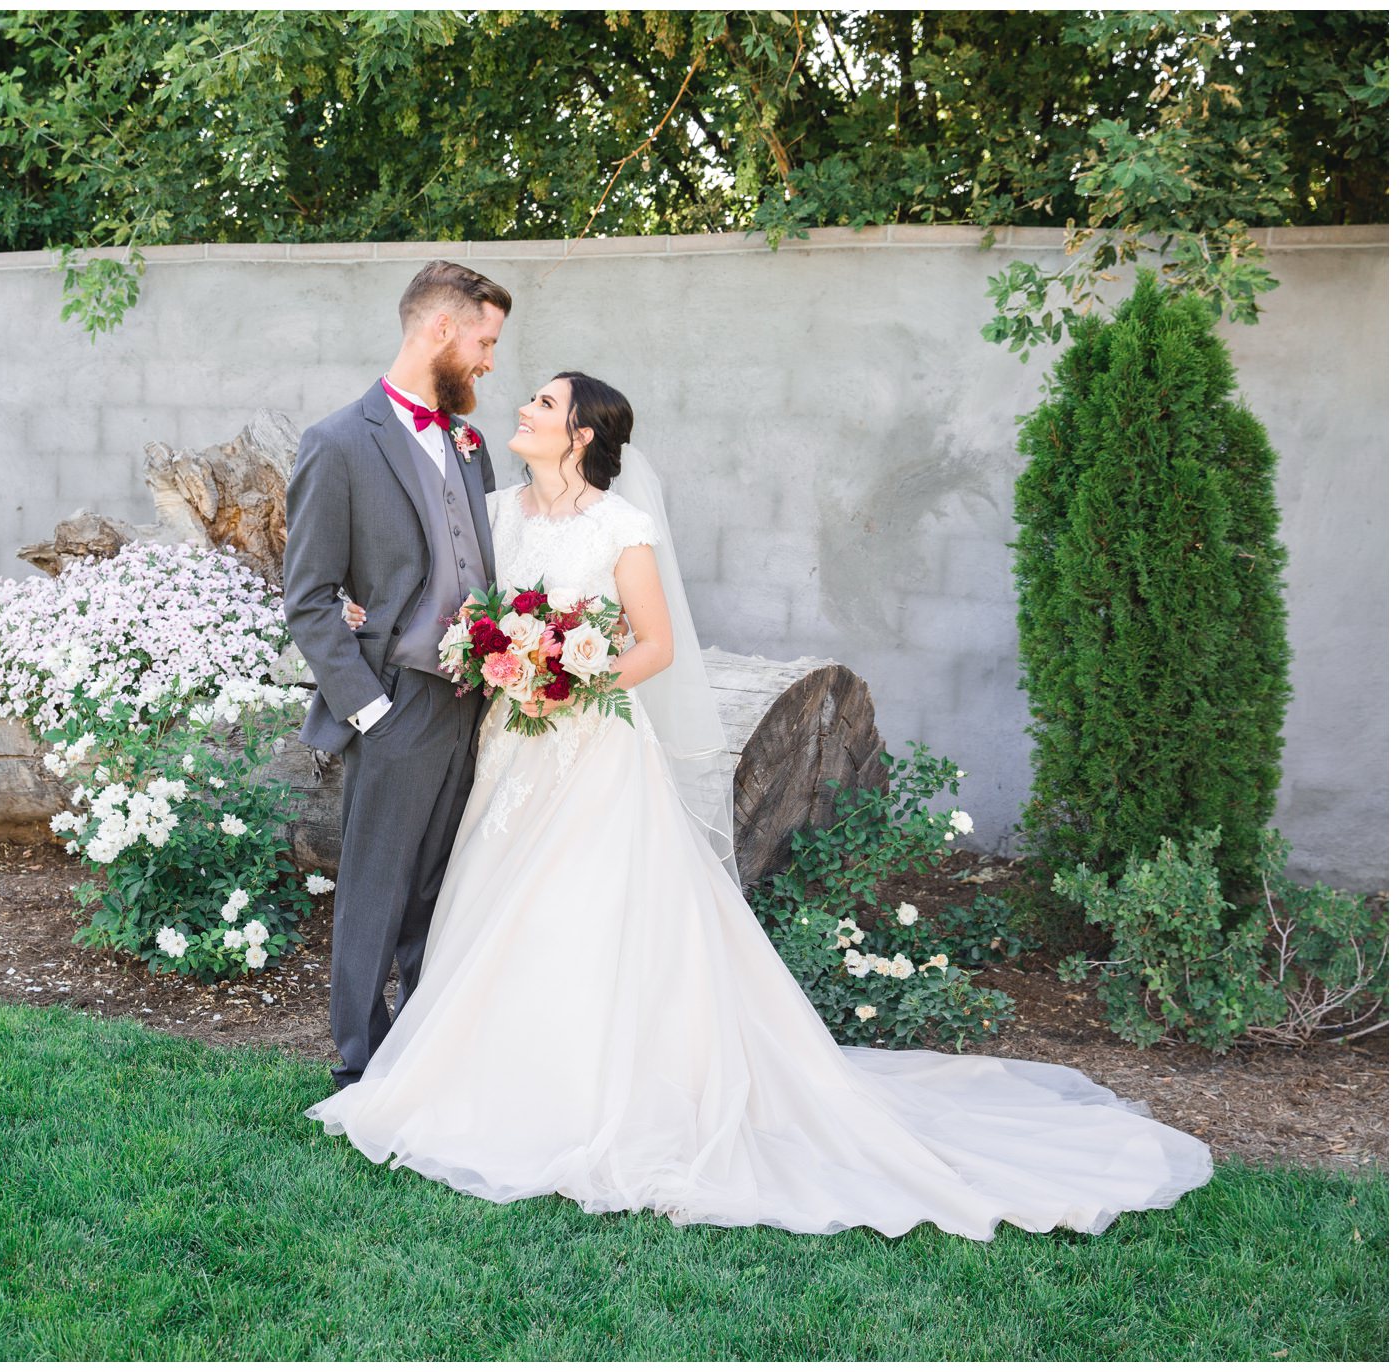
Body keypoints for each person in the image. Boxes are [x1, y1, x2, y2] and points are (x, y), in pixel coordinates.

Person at [309, 370, 1215, 1240]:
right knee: (494, 898)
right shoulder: (497, 513)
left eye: (543, 402)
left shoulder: (620, 527)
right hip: (507, 750)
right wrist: (360, 612)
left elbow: (655, 646)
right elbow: (438, 580)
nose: (523, 407)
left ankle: (593, 1092)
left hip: (587, 748)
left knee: (584, 907)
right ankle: (489, 1074)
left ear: (581, 435)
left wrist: (570, 679)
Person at [281, 260, 511, 1091]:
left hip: (474, 698)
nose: (489, 360)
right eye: (484, 341)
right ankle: (360, 1063)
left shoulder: (470, 443)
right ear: (439, 330)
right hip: (396, 699)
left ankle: (425, 1047)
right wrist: (369, 710)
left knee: (440, 889)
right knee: (377, 889)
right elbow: (308, 600)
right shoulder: (338, 443)